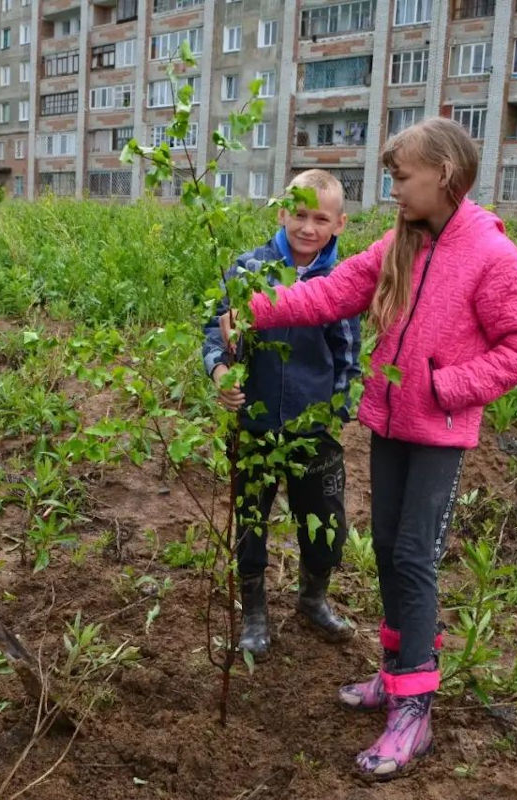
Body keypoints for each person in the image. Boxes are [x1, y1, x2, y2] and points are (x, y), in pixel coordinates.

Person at [220, 118, 517, 779]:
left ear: (443, 177)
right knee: (392, 554)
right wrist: (257, 306)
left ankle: (413, 710)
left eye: (401, 178)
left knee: (414, 560)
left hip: (439, 431)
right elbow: (334, 291)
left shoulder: (489, 253)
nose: (392, 190)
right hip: (391, 426)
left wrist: (444, 386)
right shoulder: (404, 241)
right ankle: (394, 673)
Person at [203, 169, 362, 661]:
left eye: (320, 218)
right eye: (299, 214)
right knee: (251, 517)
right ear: (281, 213)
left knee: (324, 521)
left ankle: (313, 599)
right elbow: (217, 331)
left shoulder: (343, 281)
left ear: (339, 223)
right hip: (253, 423)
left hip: (311, 428)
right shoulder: (249, 267)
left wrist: (335, 409)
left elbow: (348, 353)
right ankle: (253, 612)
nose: (307, 227)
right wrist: (221, 373)